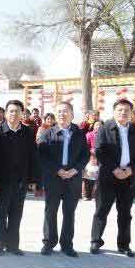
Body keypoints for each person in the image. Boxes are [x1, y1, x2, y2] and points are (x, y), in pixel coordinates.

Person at [90, 99, 135, 257]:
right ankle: (96, 241)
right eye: (120, 110)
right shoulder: (104, 128)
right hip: (108, 176)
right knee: (101, 210)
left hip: (128, 177)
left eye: (126, 110)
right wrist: (114, 169)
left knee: (125, 213)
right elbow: (99, 151)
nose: (123, 113)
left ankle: (124, 245)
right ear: (114, 111)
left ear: (131, 112)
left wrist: (131, 169)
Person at [0, 100, 38, 256]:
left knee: (16, 213)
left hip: (21, 180)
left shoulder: (28, 132)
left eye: (17, 111)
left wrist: (33, 179)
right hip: (2, 180)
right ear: (5, 113)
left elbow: (33, 156)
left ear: (22, 113)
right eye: (11, 111)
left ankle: (13, 245)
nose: (14, 114)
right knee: (1, 213)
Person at [38, 102, 89, 257]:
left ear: (72, 114)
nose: (62, 114)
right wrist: (57, 170)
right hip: (53, 178)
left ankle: (67, 245)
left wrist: (75, 170)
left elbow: (85, 155)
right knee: (50, 211)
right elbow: (42, 156)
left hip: (73, 179)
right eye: (59, 111)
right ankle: (49, 242)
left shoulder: (79, 133)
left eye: (65, 111)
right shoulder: (47, 133)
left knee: (69, 212)